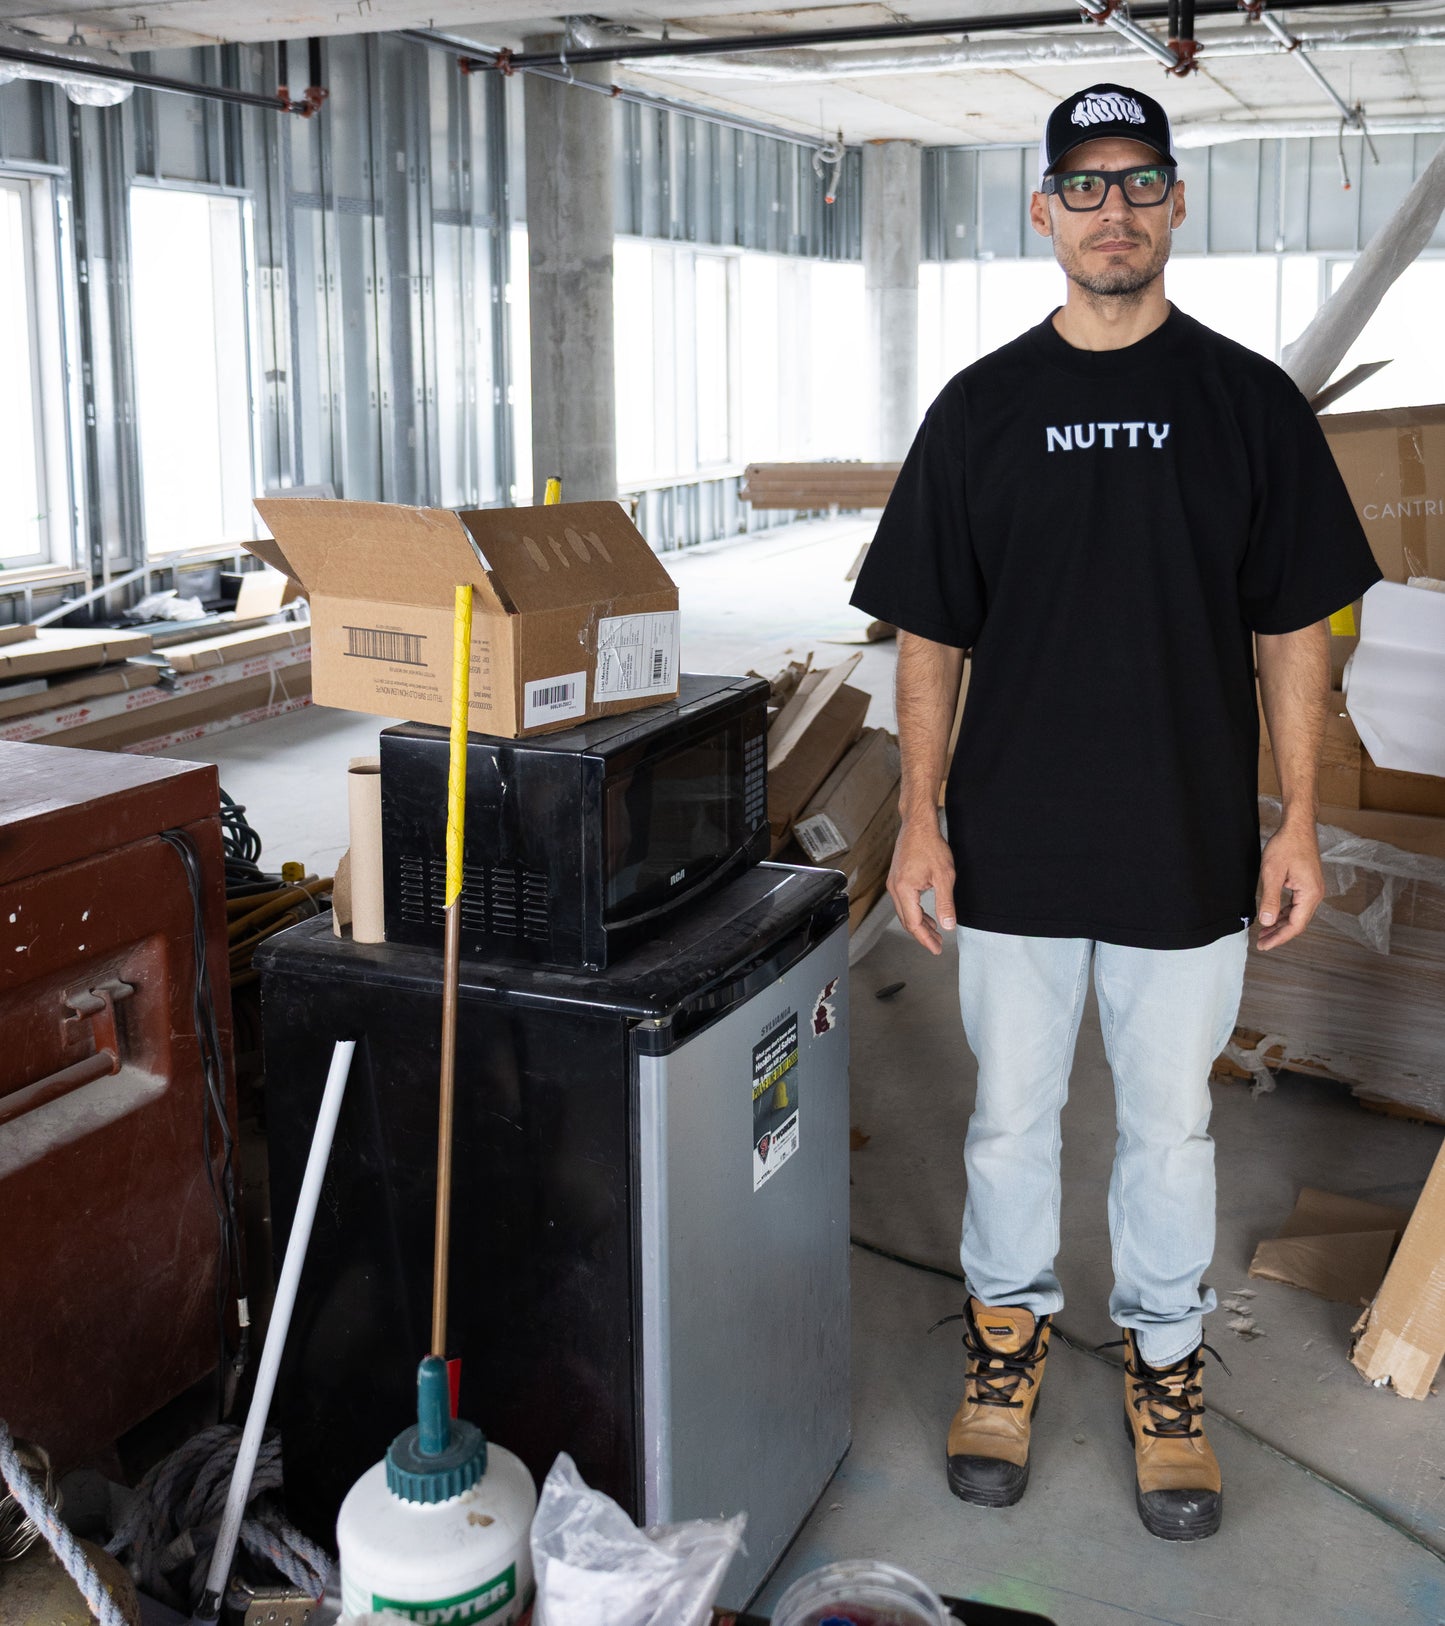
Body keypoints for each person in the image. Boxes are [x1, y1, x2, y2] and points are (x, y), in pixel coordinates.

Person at [849, 81, 1382, 1541]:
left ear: (1174, 204)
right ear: (1041, 212)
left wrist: (1292, 820)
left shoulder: (1246, 406)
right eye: (1080, 186)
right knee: (1008, 1125)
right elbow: (926, 639)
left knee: (1166, 1134)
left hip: (1185, 845)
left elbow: (1292, 632)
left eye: (1137, 181)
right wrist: (917, 820)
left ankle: (1163, 1373)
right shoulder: (980, 409)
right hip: (1011, 849)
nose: (1111, 210)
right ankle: (1002, 1353)